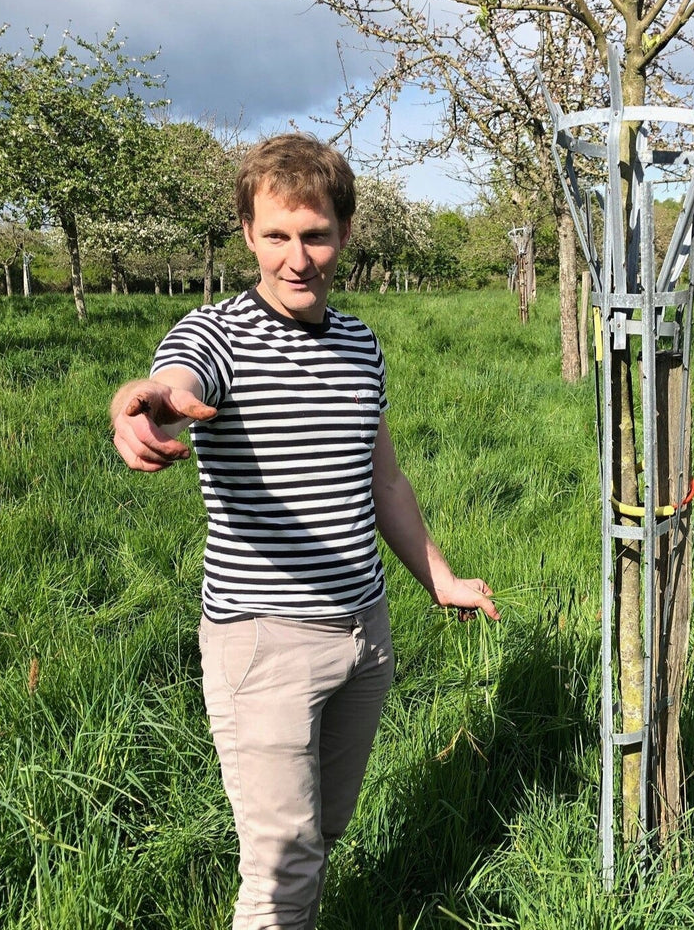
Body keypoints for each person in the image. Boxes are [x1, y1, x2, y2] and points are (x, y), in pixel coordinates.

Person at [110, 133, 498, 930]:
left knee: (321, 835)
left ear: (345, 235)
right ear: (248, 234)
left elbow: (382, 477)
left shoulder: (360, 345)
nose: (297, 257)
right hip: (265, 645)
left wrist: (440, 577)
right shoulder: (215, 335)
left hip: (366, 635)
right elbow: (174, 375)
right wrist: (147, 401)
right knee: (282, 867)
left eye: (315, 234)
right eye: (277, 235)